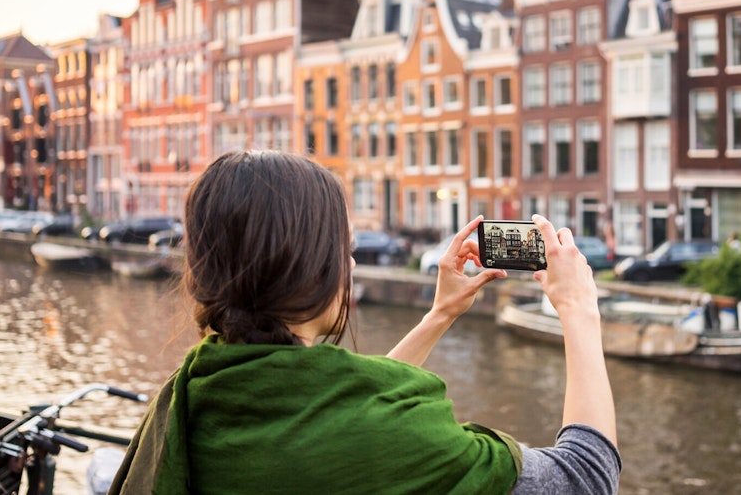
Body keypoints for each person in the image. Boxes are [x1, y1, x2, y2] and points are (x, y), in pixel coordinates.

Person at [110, 150, 620, 494]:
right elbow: (584, 477)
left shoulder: (195, 393)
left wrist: (439, 315)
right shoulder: (396, 437)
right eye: (342, 249)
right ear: (306, 264)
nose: (350, 265)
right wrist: (579, 311)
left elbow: (338, 411)